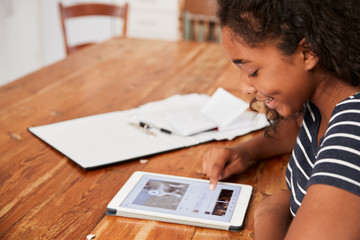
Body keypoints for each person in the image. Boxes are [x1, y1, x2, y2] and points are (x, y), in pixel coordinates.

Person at [201, 0, 360, 239]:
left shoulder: (353, 132)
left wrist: (271, 212)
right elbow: (298, 126)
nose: (244, 86)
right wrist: (246, 152)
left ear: (307, 54)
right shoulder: (321, 102)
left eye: (253, 71)